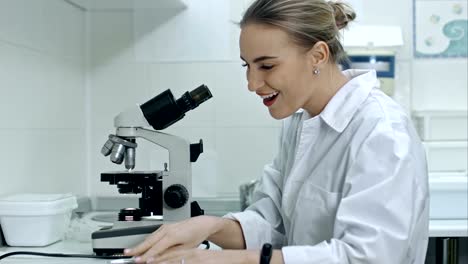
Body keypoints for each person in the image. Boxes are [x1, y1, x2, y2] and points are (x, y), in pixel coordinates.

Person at [124, 0, 430, 263]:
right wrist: (209, 226)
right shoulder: (299, 124)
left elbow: (367, 258)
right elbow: (272, 224)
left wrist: (220, 259)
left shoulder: (381, 132)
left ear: (318, 56)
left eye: (267, 66)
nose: (252, 84)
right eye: (247, 66)